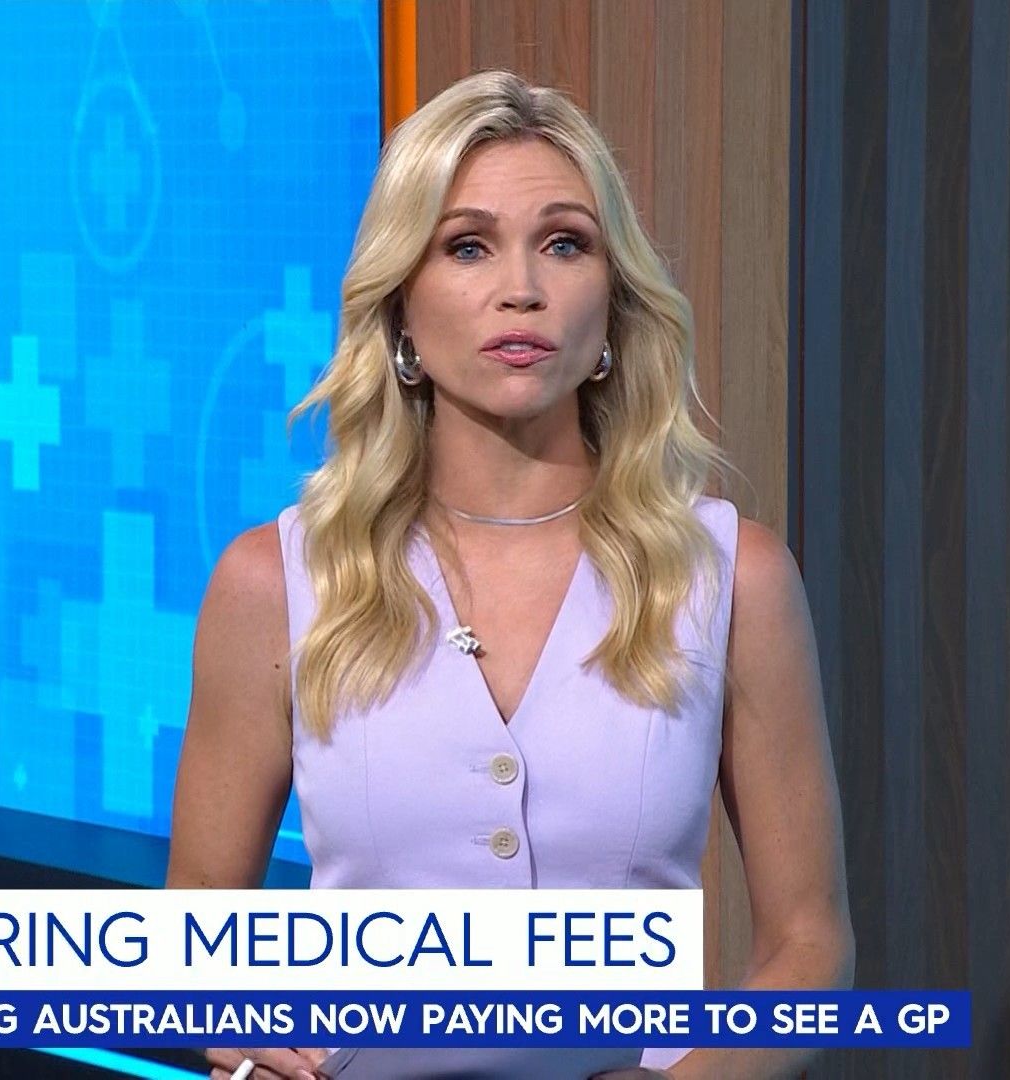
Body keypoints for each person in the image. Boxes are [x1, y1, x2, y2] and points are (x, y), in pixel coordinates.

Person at [166, 69, 853, 1080]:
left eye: (564, 243)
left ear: (612, 302)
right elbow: (195, 935)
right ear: (401, 308)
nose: (521, 287)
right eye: (467, 246)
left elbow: (810, 946)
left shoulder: (732, 579)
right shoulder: (274, 582)